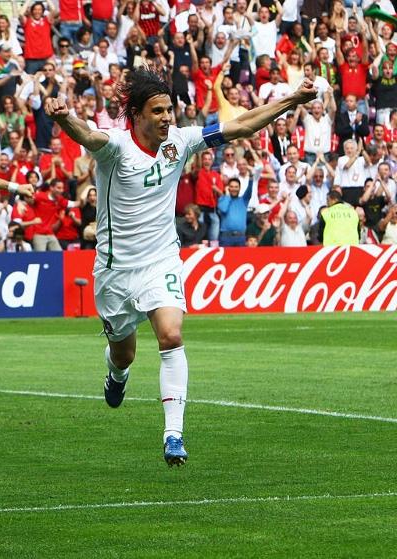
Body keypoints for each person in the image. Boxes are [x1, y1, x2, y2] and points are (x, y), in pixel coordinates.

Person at [44, 68, 316, 466]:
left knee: (171, 335)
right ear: (136, 114)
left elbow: (241, 125)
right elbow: (88, 135)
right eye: (157, 111)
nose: (166, 118)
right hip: (115, 272)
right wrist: (65, 117)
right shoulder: (116, 148)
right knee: (124, 355)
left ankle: (173, 434)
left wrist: (291, 99)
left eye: (169, 109)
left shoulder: (181, 140)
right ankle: (116, 375)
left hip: (161, 261)